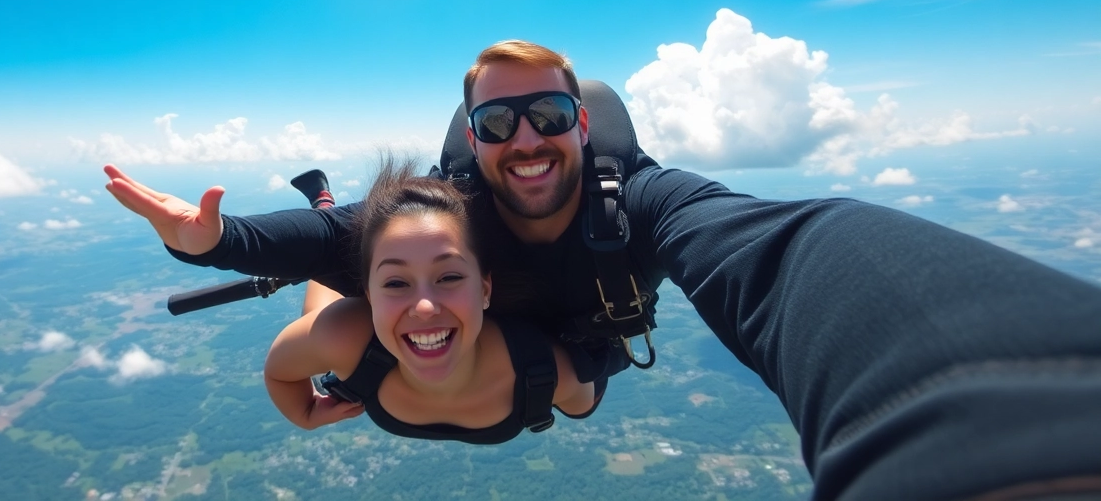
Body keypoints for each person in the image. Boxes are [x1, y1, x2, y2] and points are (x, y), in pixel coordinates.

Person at [105, 40, 1101, 501]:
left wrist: (995, 408)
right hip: (418, 283)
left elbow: (788, 253)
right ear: (476, 141)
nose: (526, 138)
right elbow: (336, 248)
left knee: (523, 365)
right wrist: (214, 244)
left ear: (582, 124)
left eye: (548, 114)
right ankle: (342, 227)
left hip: (557, 346)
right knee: (357, 248)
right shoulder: (446, 222)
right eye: (498, 122)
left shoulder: (644, 201)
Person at [263, 157, 594, 443]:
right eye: (395, 283)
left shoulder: (550, 371)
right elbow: (280, 372)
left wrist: (307, 413)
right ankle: (326, 210)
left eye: (449, 277)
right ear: (369, 297)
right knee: (324, 313)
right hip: (355, 320)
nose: (424, 307)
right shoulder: (343, 336)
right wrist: (304, 414)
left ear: (485, 289)